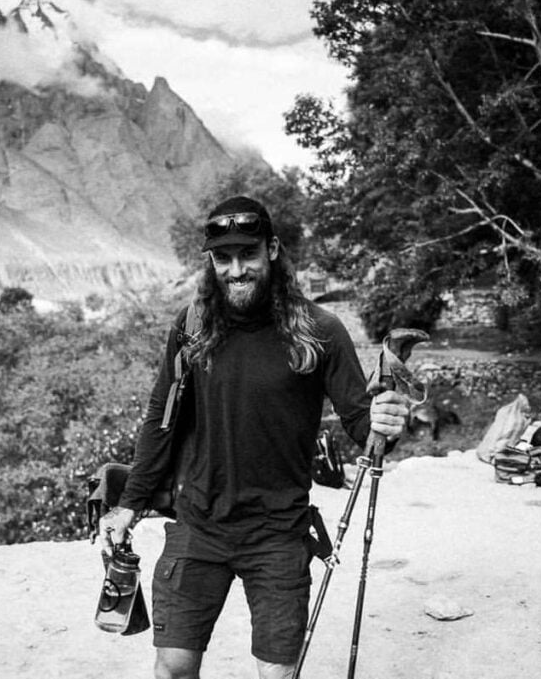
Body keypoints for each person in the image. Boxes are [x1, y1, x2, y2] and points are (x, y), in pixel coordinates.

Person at [99, 196, 410, 679]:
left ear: (272, 250)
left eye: (248, 254)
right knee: (173, 666)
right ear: (211, 261)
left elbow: (361, 423)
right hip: (198, 522)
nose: (236, 269)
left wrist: (386, 425)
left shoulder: (318, 331)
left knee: (276, 673)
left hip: (279, 533)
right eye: (223, 258)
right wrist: (130, 504)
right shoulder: (191, 328)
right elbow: (161, 419)